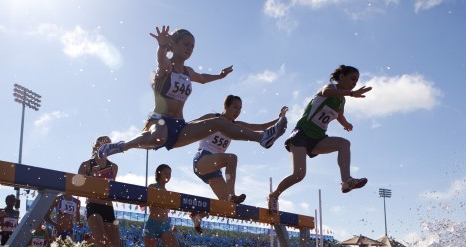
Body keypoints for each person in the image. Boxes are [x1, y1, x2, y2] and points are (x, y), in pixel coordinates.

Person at [97, 26, 288, 159]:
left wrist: (219, 76)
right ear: (175, 44)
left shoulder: (188, 72)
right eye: (186, 44)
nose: (190, 48)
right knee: (158, 138)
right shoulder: (166, 68)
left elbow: (203, 78)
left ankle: (262, 138)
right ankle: (120, 146)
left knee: (219, 122)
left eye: (193, 46)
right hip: (160, 121)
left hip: (180, 126)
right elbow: (160, 59)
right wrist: (162, 46)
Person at [268, 65, 372, 213]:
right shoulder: (329, 87)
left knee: (344, 144)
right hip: (302, 134)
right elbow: (326, 92)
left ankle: (346, 181)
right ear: (342, 77)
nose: (354, 83)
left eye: (357, 80)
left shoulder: (342, 101)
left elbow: (340, 116)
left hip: (318, 139)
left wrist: (346, 124)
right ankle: (274, 195)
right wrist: (352, 93)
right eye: (352, 79)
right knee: (299, 175)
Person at [189, 95, 288, 233]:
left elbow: (259, 127)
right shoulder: (213, 117)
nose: (237, 111)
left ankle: (199, 215)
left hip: (215, 169)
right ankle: (232, 194)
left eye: (240, 109)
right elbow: (192, 124)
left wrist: (279, 118)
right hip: (203, 159)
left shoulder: (236, 125)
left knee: (227, 204)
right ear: (226, 106)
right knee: (232, 158)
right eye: (235, 107)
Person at [78, 136, 121, 247]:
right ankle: (93, 239)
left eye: (110, 146)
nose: (107, 148)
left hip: (108, 208)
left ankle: (91, 240)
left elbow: (111, 189)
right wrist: (91, 176)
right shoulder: (86, 165)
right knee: (103, 243)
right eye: (104, 145)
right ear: (97, 146)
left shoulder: (114, 167)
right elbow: (77, 188)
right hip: (93, 206)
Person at [143, 164, 180, 247]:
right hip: (152, 224)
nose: (168, 175)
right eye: (165, 173)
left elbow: (165, 212)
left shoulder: (168, 192)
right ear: (158, 173)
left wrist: (171, 225)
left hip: (165, 225)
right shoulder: (153, 187)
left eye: (169, 174)